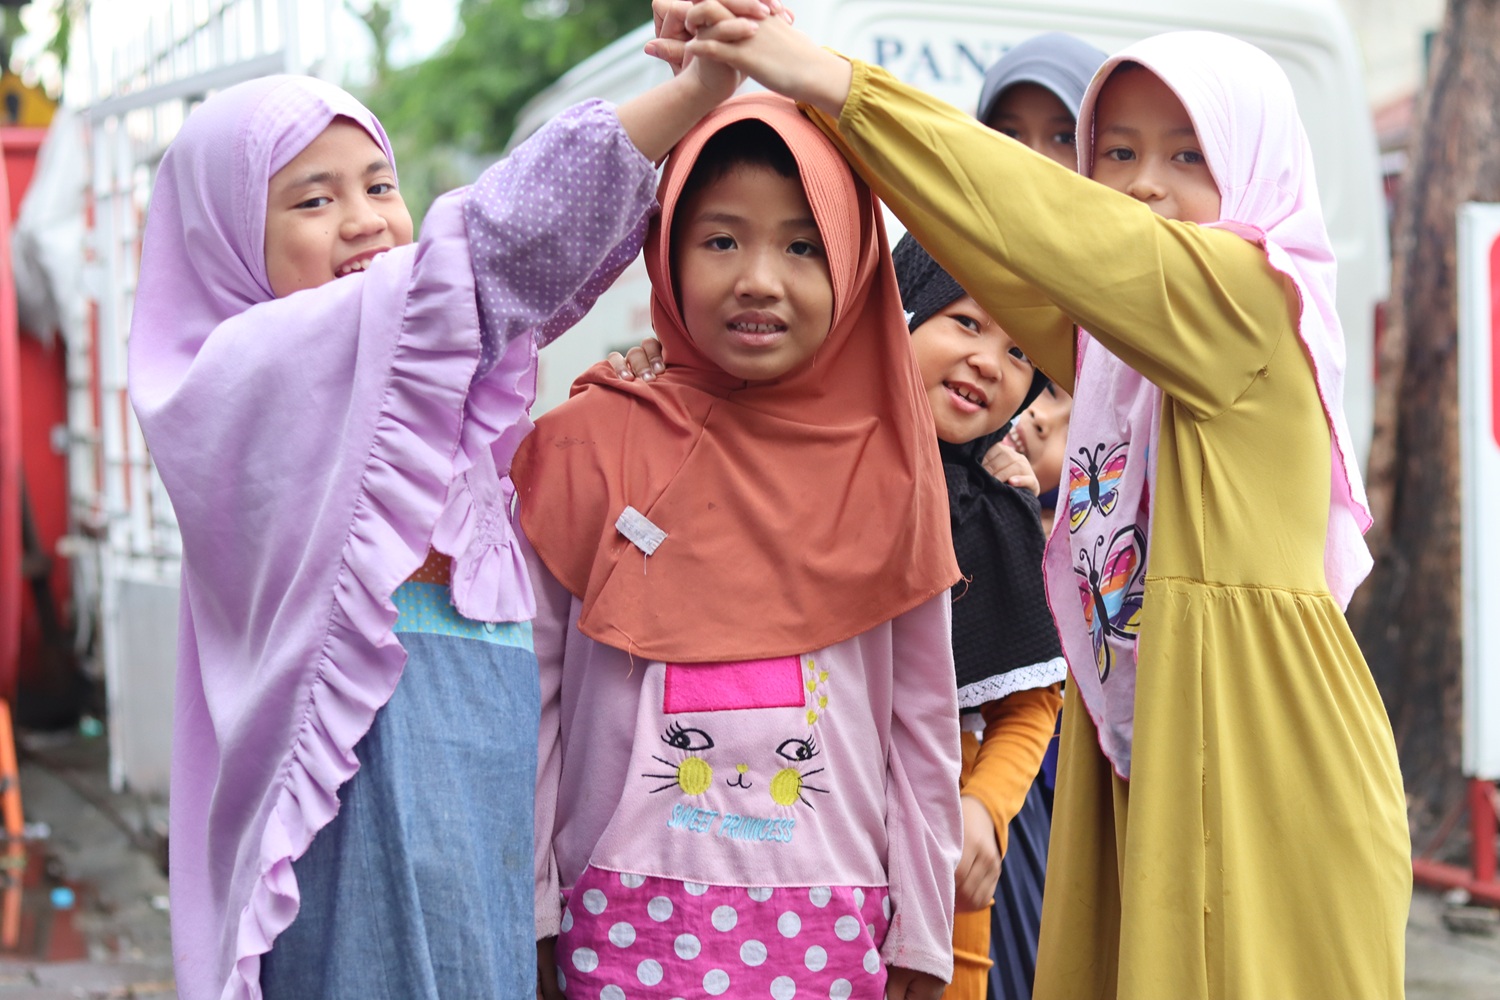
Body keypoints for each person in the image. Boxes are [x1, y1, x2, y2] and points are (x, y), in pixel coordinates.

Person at [661, 6, 1412, 999]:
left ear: (1255, 165)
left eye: (1190, 154)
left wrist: (829, 78)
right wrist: (809, 106)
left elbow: (1037, 219)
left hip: (1263, 760)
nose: (1145, 183)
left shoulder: (1247, 297)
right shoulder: (1127, 354)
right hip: (1160, 751)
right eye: (1119, 152)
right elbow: (987, 244)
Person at [127, 53, 748, 999]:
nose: (364, 219)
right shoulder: (246, 367)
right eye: (312, 200)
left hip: (477, 754)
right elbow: (491, 257)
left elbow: (523, 291)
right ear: (227, 239)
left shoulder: (401, 374)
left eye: (380, 185)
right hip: (372, 773)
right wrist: (695, 92)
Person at [512, 92, 963, 1000]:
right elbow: (533, 704)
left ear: (854, 264)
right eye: (721, 240)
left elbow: (922, 722)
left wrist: (924, 928)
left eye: (803, 246)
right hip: (618, 922)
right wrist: (530, 910)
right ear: (665, 250)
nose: (759, 278)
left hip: (837, 929)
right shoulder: (584, 444)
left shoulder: (890, 465)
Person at [891, 234, 1063, 1000]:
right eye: (965, 321)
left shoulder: (999, 512)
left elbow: (1029, 706)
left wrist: (984, 809)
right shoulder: (808, 459)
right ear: (899, 310)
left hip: (941, 889)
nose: (990, 362)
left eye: (1021, 351)